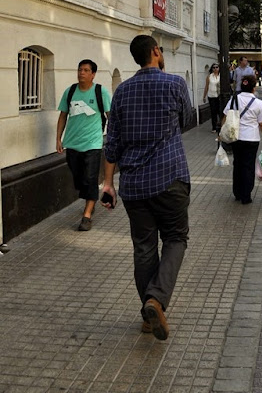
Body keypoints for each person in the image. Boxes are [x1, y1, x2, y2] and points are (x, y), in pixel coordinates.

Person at [101, 35, 192, 341]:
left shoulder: (122, 91)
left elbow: (111, 142)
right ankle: (156, 300)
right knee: (176, 238)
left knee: (143, 247)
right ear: (155, 51)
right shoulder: (175, 84)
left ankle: (148, 314)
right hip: (170, 179)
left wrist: (108, 184)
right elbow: (189, 119)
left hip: (134, 186)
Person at [56, 59, 111, 232]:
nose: (82, 73)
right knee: (79, 180)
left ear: (93, 74)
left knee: (90, 178)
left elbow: (111, 115)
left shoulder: (100, 92)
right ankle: (90, 196)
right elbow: (63, 116)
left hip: (93, 143)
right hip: (72, 143)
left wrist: (117, 138)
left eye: (86, 70)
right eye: (80, 70)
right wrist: (58, 138)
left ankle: (86, 216)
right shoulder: (70, 91)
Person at [221, 75, 262, 205]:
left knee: (237, 164)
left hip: (236, 137)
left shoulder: (233, 100)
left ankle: (237, 192)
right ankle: (246, 195)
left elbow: (225, 117)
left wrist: (222, 132)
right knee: (248, 166)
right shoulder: (258, 103)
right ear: (254, 88)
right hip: (252, 139)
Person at [203, 63, 221, 132]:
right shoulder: (209, 77)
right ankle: (214, 127)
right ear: (212, 69)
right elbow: (206, 87)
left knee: (220, 111)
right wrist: (204, 96)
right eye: (214, 67)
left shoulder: (221, 76)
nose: (215, 69)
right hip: (212, 96)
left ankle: (221, 125)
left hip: (219, 96)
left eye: (217, 67)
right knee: (213, 112)